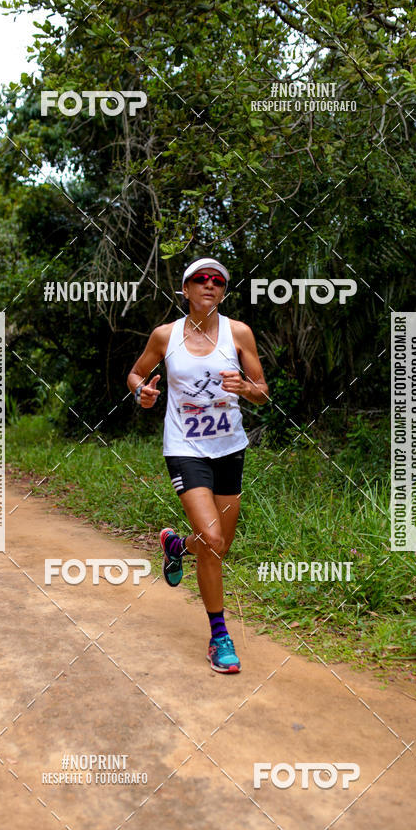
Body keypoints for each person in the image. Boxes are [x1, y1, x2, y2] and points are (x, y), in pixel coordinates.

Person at [128, 258, 268, 673]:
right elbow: (136, 375)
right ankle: (219, 635)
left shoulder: (238, 332)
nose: (210, 285)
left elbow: (263, 392)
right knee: (212, 536)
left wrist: (246, 387)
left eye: (218, 281)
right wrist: (142, 395)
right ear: (185, 289)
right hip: (185, 447)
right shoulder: (164, 336)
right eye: (200, 280)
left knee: (217, 545)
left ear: (223, 291)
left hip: (230, 448)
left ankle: (175, 546)